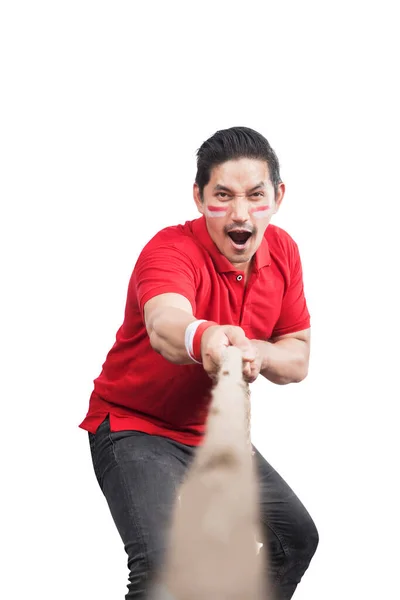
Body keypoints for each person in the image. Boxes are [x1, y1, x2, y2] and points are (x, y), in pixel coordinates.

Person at [79, 126, 319, 599]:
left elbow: (298, 356)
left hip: (213, 436)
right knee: (163, 569)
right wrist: (206, 336)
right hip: (135, 428)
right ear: (198, 196)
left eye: (255, 196)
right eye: (223, 196)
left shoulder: (285, 252)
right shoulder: (170, 250)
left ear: (279, 196)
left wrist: (258, 350)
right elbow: (165, 321)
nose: (239, 213)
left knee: (295, 539)